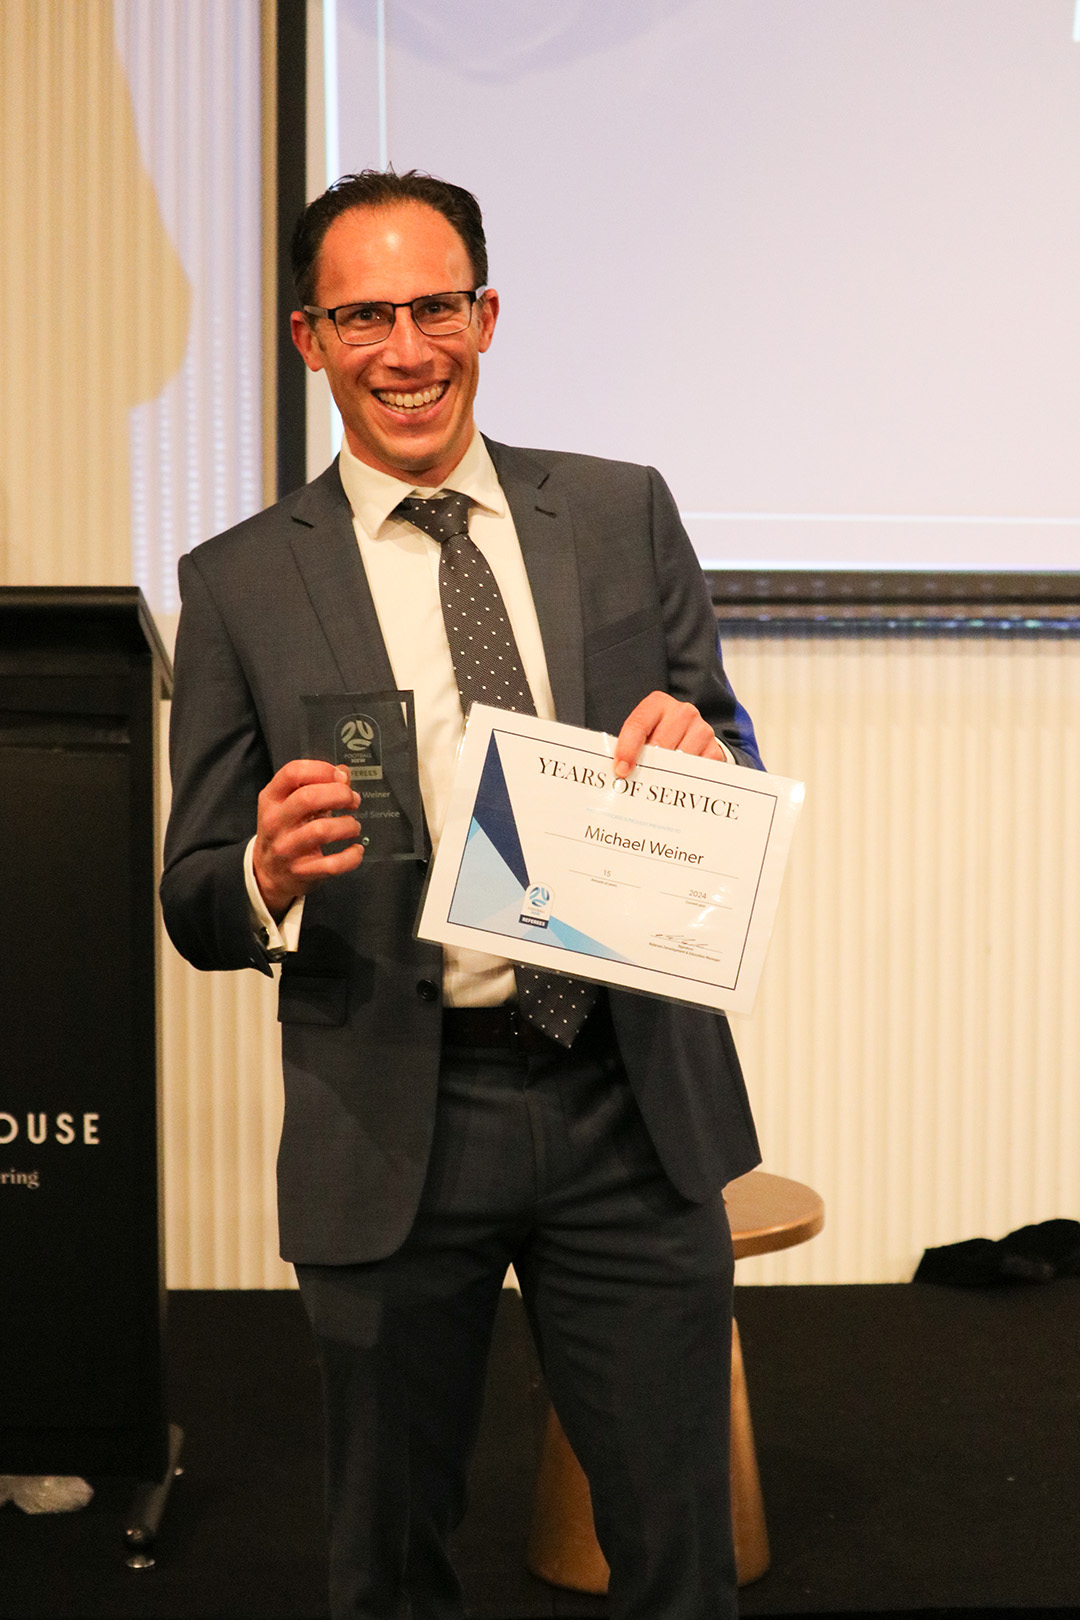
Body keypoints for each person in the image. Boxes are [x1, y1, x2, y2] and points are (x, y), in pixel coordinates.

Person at [161, 169, 764, 1620]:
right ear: (309, 338)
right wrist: (262, 871)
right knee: (391, 1559)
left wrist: (707, 755)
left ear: (486, 315)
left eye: (436, 307)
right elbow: (191, 898)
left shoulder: (620, 513)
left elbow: (729, 746)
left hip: (626, 1101)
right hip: (394, 1126)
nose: (407, 350)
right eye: (364, 316)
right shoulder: (238, 582)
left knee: (678, 1555)